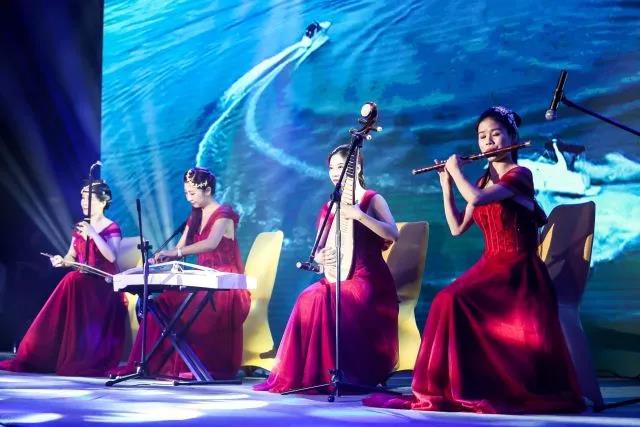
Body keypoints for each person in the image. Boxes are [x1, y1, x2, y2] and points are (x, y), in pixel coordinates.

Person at [364, 106, 585, 413]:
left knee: (453, 300)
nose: (489, 142)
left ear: (512, 137)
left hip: (518, 271)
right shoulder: (481, 181)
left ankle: (474, 384)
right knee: (444, 299)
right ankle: (456, 385)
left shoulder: (520, 175)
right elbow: (457, 228)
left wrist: (456, 172)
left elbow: (477, 199)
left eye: (496, 134)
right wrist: (446, 185)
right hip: (491, 265)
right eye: (482, 136)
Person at [255, 145, 399, 393]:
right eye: (331, 168)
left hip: (369, 280)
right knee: (309, 296)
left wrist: (359, 215)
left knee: (328, 298)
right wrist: (322, 258)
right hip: (339, 277)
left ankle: (350, 374)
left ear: (357, 168)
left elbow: (393, 234)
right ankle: (318, 375)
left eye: (340, 167)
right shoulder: (329, 207)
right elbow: (319, 250)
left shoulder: (372, 199)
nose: (334, 173)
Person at [114, 167, 250, 380]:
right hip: (202, 278)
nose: (189, 198)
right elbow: (180, 247)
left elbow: (211, 243)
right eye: (186, 193)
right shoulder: (195, 216)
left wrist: (176, 253)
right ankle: (147, 364)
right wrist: (161, 259)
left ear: (207, 190)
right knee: (160, 304)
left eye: (192, 193)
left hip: (223, 281)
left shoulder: (224, 214)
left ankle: (192, 366)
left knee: (187, 306)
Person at [0, 180, 127, 376]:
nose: (84, 203)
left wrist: (93, 233)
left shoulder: (111, 227)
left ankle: (77, 354)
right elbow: (71, 256)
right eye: (82, 198)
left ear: (103, 202)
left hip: (103, 285)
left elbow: (112, 257)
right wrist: (62, 261)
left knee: (72, 279)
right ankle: (43, 350)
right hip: (81, 282)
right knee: (72, 278)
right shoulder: (80, 227)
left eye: (89, 199)